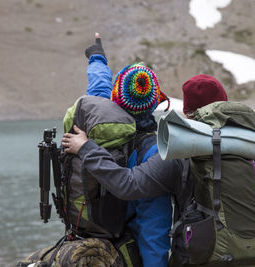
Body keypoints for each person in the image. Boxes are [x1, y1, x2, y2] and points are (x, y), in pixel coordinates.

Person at [61, 74, 229, 265]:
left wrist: (86, 148)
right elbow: (153, 227)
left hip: (187, 256)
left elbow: (146, 213)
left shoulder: (171, 153)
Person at [82, 33, 173, 267]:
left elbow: (99, 85)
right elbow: (154, 225)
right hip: (128, 249)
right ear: (155, 102)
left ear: (115, 96)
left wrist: (97, 57)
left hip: (94, 241)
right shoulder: (154, 151)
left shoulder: (99, 121)